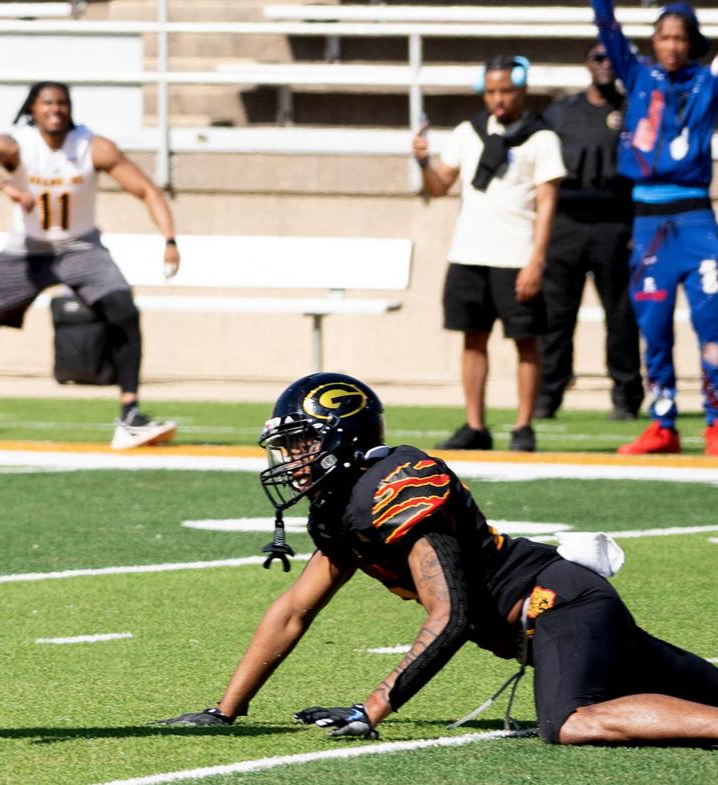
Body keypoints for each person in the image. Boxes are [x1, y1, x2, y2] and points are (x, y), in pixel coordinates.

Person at [157, 371, 718, 745]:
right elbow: (294, 611)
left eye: (302, 445)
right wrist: (225, 710)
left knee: (570, 723)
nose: (293, 460)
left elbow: (449, 614)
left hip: (557, 604)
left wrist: (371, 708)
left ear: (341, 437)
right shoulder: (338, 511)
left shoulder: (392, 484)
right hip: (563, 615)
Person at [0, 81, 180, 450]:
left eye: (62, 102)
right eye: (47, 102)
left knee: (123, 310)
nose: (55, 109)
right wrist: (5, 185)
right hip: (25, 252)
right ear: (33, 108)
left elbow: (146, 189)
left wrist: (170, 239)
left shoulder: (92, 146)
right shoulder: (15, 144)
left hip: (81, 249)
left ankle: (130, 414)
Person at [414, 56, 565, 453]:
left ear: (522, 91)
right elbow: (439, 187)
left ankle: (522, 426)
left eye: (507, 91)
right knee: (472, 339)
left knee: (525, 341)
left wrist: (536, 260)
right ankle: (475, 425)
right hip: (469, 253)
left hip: (516, 256)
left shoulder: (540, 137)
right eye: (492, 91)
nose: (498, 99)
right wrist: (423, 160)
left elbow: (548, 203)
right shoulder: (468, 132)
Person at [590, 1, 718, 456]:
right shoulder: (639, 75)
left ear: (693, 43)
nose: (672, 46)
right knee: (655, 326)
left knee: (712, 322)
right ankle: (662, 425)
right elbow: (607, 27)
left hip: (697, 220)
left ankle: (716, 424)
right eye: (665, 37)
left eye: (681, 38)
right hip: (647, 226)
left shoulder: (708, 81)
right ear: (654, 41)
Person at [537, 43, 643, 422]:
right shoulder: (562, 112)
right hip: (567, 225)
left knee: (621, 317)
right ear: (586, 63)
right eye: (598, 57)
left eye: (611, 57)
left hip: (616, 226)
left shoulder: (636, 110)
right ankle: (547, 395)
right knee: (557, 317)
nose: (605, 64)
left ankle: (626, 396)